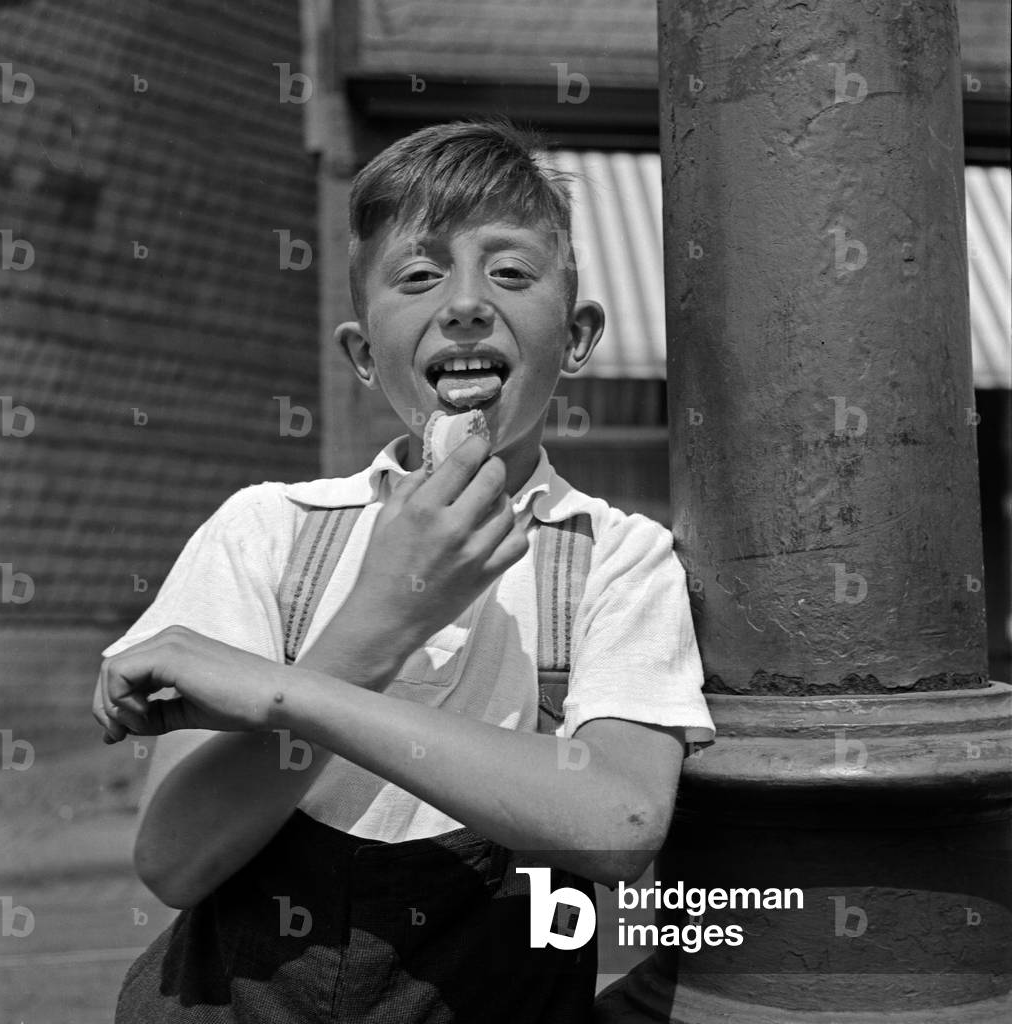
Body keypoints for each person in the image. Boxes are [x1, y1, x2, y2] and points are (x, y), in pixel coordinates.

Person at [92, 118, 716, 1023]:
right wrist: (372, 626)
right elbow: (178, 860)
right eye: (420, 275)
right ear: (361, 353)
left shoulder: (614, 558)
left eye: (510, 272)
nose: (465, 303)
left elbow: (618, 824)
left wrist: (292, 690)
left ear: (577, 337)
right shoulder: (271, 533)